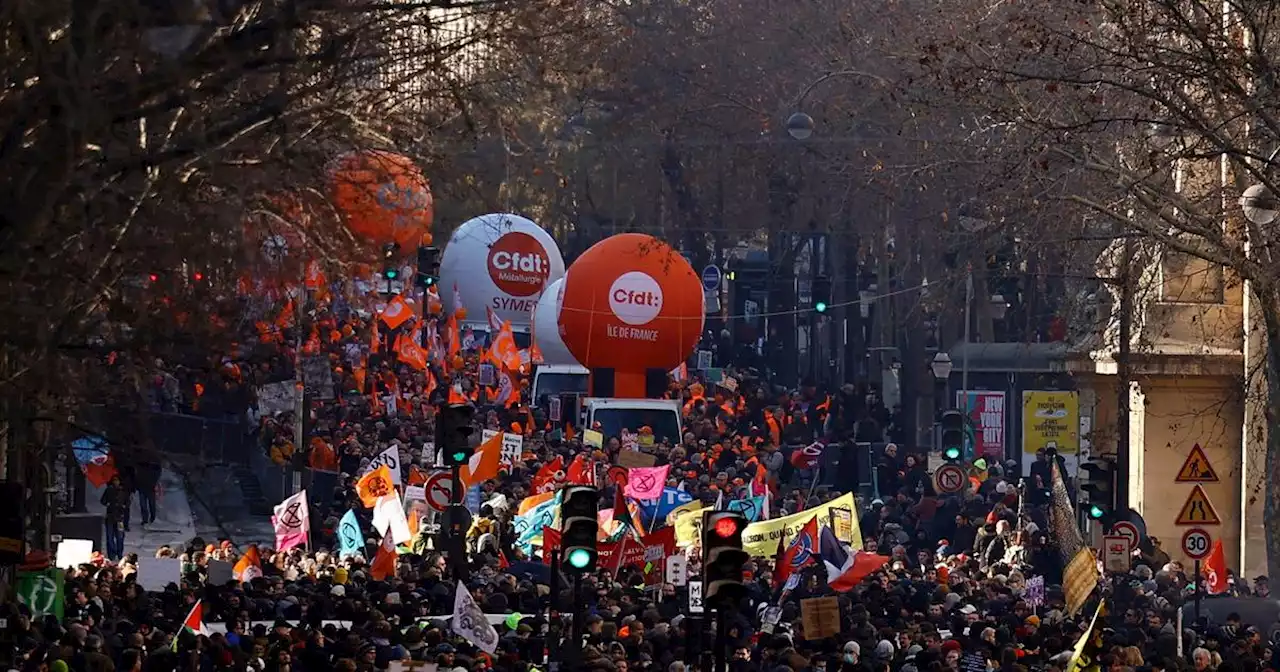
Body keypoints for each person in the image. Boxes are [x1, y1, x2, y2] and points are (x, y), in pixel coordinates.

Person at [100, 475, 131, 561]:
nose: (116, 482)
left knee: (120, 537)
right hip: (110, 516)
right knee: (110, 537)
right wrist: (108, 504)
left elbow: (128, 502)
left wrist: (124, 506)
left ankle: (119, 553)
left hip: (120, 517)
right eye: (114, 480)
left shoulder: (124, 492)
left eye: (117, 480)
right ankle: (111, 554)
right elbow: (103, 501)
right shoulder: (109, 490)